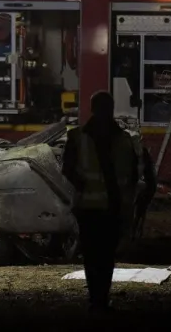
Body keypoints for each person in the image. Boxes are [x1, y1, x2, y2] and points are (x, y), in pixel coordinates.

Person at [62, 90, 140, 312]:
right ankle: (101, 298)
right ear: (111, 110)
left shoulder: (77, 137)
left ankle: (95, 298)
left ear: (92, 109)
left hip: (88, 209)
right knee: (106, 257)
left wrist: (81, 185)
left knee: (92, 255)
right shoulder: (124, 139)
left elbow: (67, 169)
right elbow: (133, 175)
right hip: (112, 209)